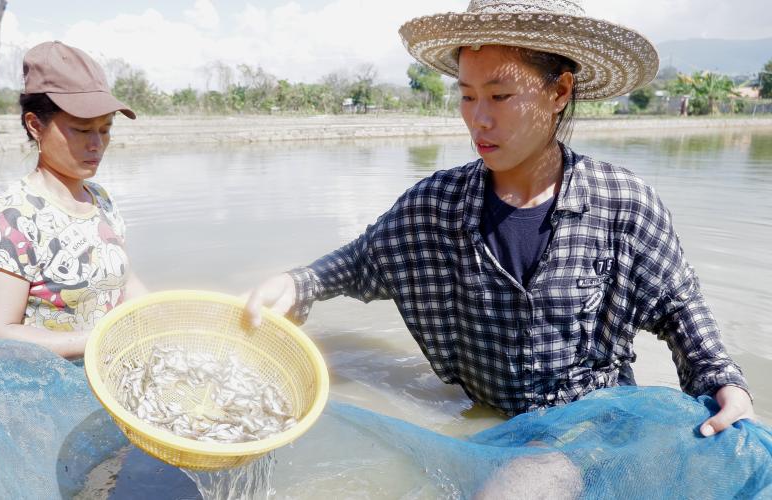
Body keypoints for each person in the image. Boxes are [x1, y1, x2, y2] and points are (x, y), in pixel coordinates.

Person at [246, 0, 755, 437]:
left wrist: (724, 384)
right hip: (491, 425)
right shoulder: (437, 205)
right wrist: (296, 283)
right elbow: (359, 263)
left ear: (559, 93)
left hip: (593, 430)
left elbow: (679, 308)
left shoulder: (622, 203)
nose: (478, 119)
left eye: (500, 95)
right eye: (467, 96)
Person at [0, 41, 146, 359]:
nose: (97, 144)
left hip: (112, 378)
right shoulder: (10, 217)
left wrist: (158, 320)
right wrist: (102, 340)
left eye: (105, 129)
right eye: (82, 130)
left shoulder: (101, 200)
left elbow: (127, 282)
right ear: (35, 125)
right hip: (50, 399)